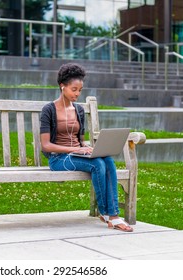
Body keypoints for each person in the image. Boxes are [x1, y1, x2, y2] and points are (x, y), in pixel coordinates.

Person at [40, 63, 133, 232]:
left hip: (77, 155)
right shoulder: (49, 110)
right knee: (97, 164)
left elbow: (80, 140)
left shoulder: (79, 110)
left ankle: (111, 215)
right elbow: (46, 145)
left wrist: (87, 148)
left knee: (107, 159)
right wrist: (75, 150)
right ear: (62, 87)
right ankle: (109, 214)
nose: (77, 94)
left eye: (80, 90)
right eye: (74, 89)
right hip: (58, 158)